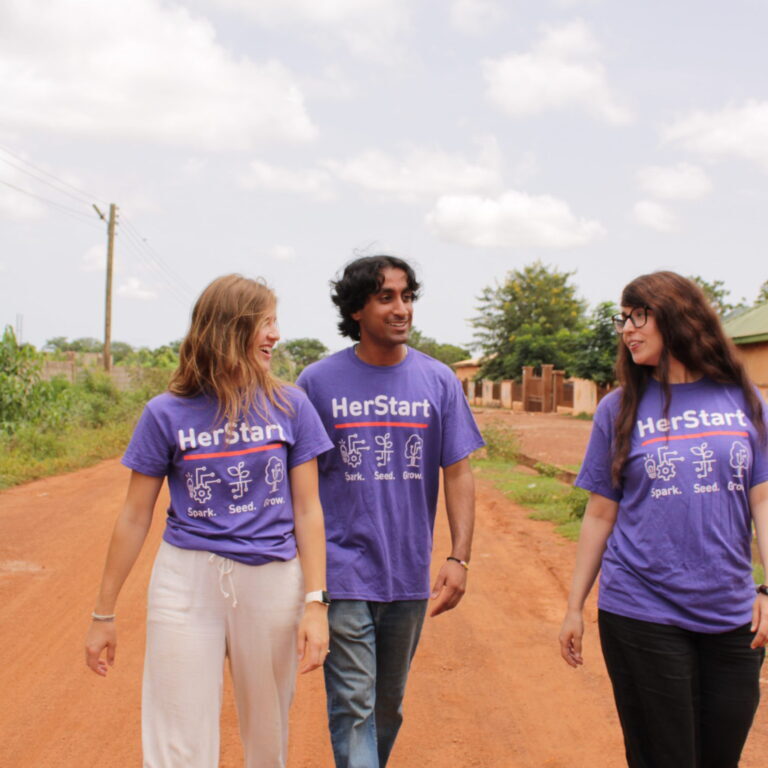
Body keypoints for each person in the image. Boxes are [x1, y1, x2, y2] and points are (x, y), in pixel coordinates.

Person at [85, 274, 333, 768]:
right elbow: (135, 517)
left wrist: (315, 604)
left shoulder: (291, 406)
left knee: (267, 735)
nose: (275, 335)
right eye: (264, 324)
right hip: (185, 580)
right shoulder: (166, 413)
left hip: (271, 579)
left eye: (274, 323)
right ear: (228, 330)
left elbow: (308, 509)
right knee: (176, 733)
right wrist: (103, 614)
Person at [559, 271, 768, 768]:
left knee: (721, 757)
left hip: (732, 615)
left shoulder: (744, 400)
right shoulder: (619, 409)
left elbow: (763, 502)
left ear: (677, 316)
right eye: (623, 318)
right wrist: (573, 607)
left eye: (638, 316)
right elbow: (599, 513)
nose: (627, 329)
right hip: (641, 610)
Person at [296, 255, 484, 768]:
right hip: (342, 571)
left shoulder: (439, 380)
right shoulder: (317, 382)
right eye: (386, 297)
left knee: (387, 708)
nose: (401, 309)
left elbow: (459, 470)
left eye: (406, 296)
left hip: (407, 575)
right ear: (356, 309)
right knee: (354, 705)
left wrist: (459, 556)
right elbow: (300, 481)